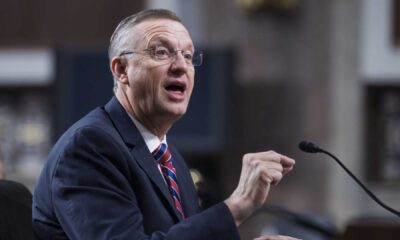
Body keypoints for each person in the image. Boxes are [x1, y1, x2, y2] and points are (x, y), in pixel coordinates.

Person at [32, 9, 297, 240]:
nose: (181, 66)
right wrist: (239, 205)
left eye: (189, 55)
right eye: (161, 52)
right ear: (121, 70)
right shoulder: (89, 147)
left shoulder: (172, 161)